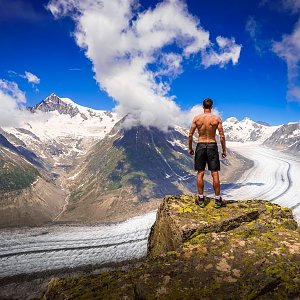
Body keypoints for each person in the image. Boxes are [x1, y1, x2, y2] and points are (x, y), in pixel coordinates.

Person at [188, 98, 227, 208]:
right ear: (212, 107)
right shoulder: (216, 119)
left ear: (202, 106)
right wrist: (224, 150)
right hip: (212, 145)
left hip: (200, 145)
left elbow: (190, 135)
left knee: (200, 173)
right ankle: (218, 200)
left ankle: (200, 198)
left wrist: (190, 148)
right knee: (215, 173)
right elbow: (222, 136)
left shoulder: (197, 118)